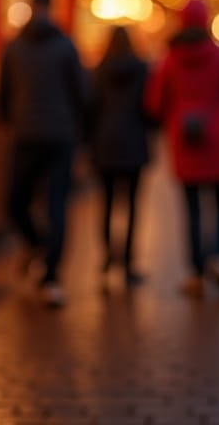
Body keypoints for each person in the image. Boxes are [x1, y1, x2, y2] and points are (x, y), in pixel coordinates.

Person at [144, 0, 219, 298]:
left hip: (184, 143)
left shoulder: (169, 59)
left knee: (190, 209)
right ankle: (216, 255)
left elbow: (154, 102)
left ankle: (194, 272)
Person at [0, 0, 87, 308]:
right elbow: (82, 94)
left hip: (30, 137)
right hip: (54, 137)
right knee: (52, 205)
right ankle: (49, 271)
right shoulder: (64, 46)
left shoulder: (16, 47)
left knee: (19, 202)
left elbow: (3, 95)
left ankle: (43, 260)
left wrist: (11, 123)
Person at [87, 25, 152, 286]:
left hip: (104, 143)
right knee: (133, 206)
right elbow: (149, 108)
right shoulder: (141, 69)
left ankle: (107, 257)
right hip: (134, 143)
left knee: (106, 204)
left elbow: (90, 107)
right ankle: (127, 262)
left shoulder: (99, 70)